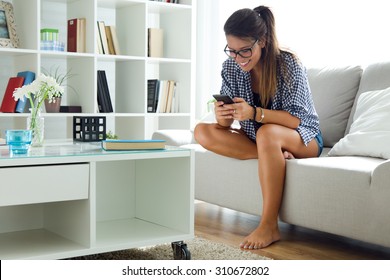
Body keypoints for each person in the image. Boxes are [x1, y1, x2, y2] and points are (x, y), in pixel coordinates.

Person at [194, 6, 323, 250]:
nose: (239, 58)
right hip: (260, 140)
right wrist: (223, 116)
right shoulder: (230, 67)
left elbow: (298, 120)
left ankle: (269, 225)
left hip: (304, 138)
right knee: (201, 131)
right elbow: (226, 124)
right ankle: (272, 155)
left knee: (267, 132)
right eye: (232, 51)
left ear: (262, 41)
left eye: (245, 51)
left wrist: (255, 113)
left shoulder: (288, 64)